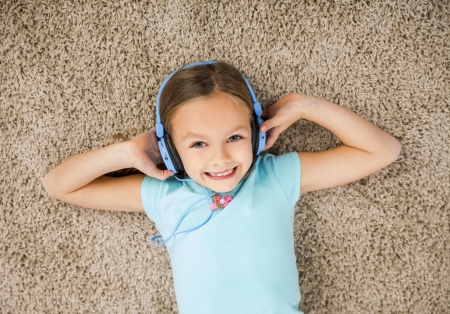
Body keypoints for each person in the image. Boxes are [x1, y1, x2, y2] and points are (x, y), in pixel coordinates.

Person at [42, 61, 401, 313]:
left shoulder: (275, 177)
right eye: (198, 144)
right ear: (171, 151)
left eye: (234, 137)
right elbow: (59, 186)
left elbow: (383, 150)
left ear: (258, 135)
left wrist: (305, 106)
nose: (221, 158)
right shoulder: (164, 194)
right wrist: (127, 152)